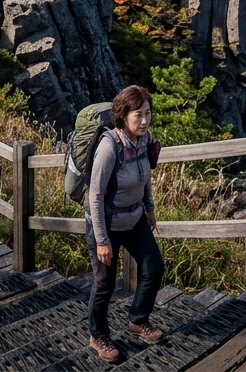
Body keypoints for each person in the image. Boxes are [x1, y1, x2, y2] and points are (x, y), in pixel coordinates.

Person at [85, 86, 165, 364]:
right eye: (138, 115)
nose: (144, 121)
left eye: (148, 114)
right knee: (105, 282)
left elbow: (145, 177)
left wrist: (150, 209)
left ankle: (138, 319)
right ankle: (98, 335)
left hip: (134, 218)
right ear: (123, 116)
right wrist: (102, 240)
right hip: (106, 223)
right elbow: (94, 194)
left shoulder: (145, 139)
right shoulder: (110, 147)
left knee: (153, 265)